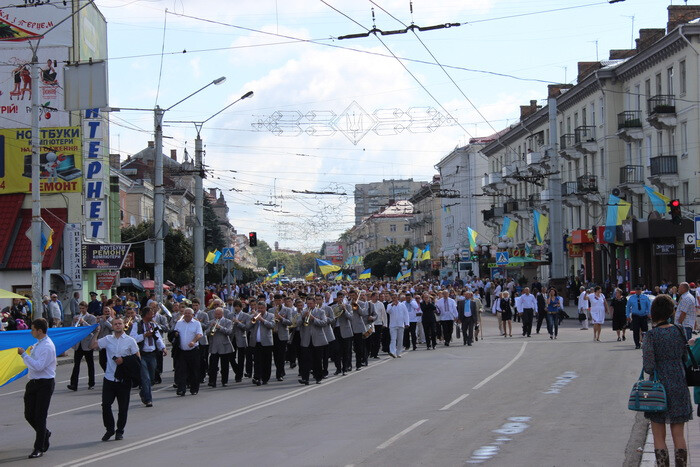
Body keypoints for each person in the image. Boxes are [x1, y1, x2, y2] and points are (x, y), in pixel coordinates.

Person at [642, 294, 692, 467]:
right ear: (671, 311)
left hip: (658, 388)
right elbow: (685, 357)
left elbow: (648, 367)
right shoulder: (679, 331)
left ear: (653, 312)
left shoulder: (651, 336)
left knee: (658, 434)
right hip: (679, 383)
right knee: (679, 434)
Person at [90, 316, 140, 442]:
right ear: (112, 326)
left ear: (124, 325)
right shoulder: (108, 339)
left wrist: (124, 360)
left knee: (122, 408)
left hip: (124, 380)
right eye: (115, 324)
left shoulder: (130, 340)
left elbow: (137, 359)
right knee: (106, 405)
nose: (117, 325)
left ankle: (120, 431)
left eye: (120, 323)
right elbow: (92, 346)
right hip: (109, 378)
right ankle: (109, 429)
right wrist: (96, 332)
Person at [18, 318, 56, 459]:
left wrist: (24, 355)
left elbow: (39, 366)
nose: (31, 331)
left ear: (40, 331)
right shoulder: (38, 344)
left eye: (33, 329)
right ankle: (44, 432)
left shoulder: (47, 346)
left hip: (44, 384)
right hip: (33, 383)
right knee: (29, 415)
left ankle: (38, 447)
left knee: (40, 417)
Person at [130, 307, 166, 406]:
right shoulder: (137, 325)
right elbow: (132, 339)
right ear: (145, 315)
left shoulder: (153, 324)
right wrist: (144, 335)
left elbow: (158, 338)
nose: (153, 315)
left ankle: (143, 393)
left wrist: (163, 348)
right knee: (145, 378)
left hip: (152, 354)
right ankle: (148, 399)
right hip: (142, 355)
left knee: (151, 378)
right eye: (151, 313)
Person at [173, 308, 203, 396]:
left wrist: (193, 341)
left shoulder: (196, 323)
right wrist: (175, 335)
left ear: (192, 315)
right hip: (182, 351)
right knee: (181, 371)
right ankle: (181, 389)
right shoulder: (179, 323)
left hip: (193, 350)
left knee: (194, 370)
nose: (186, 315)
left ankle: (194, 389)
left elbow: (199, 334)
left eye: (189, 313)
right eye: (185, 313)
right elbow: (175, 333)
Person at [67, 302, 97, 391]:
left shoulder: (91, 317)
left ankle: (91, 383)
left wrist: (83, 322)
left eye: (83, 308)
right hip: (78, 345)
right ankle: (73, 384)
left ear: (86, 308)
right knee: (76, 365)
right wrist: (75, 322)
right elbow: (73, 329)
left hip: (87, 344)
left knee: (90, 365)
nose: (81, 310)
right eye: (80, 308)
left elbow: (93, 330)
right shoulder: (76, 317)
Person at [247, 300, 274, 386]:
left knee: (266, 361)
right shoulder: (253, 316)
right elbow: (247, 327)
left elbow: (271, 325)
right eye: (258, 308)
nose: (260, 310)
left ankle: (265, 378)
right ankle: (257, 377)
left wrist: (262, 320)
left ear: (265, 308)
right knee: (257, 361)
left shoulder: (270, 315)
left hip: (266, 342)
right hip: (256, 342)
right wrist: (253, 319)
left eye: (262, 308)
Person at [205, 307, 234, 387]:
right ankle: (212, 381)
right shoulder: (211, 322)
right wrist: (211, 327)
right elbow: (206, 333)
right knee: (213, 366)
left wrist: (219, 327)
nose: (217, 316)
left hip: (224, 346)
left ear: (222, 314)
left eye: (219, 314)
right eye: (216, 314)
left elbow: (229, 332)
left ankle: (224, 381)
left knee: (224, 365)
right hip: (214, 346)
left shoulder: (228, 321)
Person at [626, 285, 651, 350]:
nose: (638, 291)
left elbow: (649, 306)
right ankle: (637, 344)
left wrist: (649, 313)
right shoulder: (631, 298)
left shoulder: (645, 297)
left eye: (639, 290)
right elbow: (628, 307)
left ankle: (645, 343)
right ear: (635, 291)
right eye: (637, 290)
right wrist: (628, 316)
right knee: (636, 331)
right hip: (635, 316)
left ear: (641, 290)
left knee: (645, 330)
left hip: (643, 316)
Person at [386, 293, 409, 358]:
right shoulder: (389, 305)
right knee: (393, 339)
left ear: (397, 298)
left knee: (400, 339)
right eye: (392, 298)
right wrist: (392, 305)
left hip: (400, 324)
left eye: (395, 298)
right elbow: (388, 311)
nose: (394, 299)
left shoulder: (402, 305)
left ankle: (398, 352)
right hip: (393, 325)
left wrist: (407, 323)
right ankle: (392, 352)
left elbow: (406, 314)